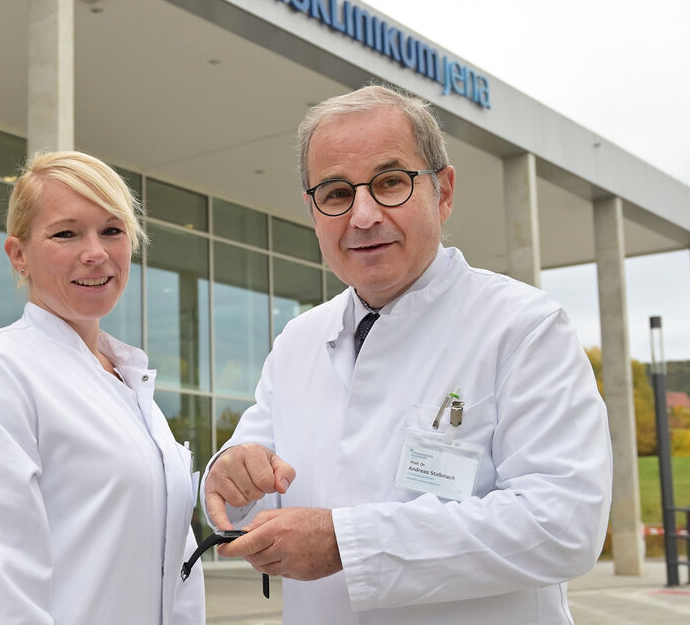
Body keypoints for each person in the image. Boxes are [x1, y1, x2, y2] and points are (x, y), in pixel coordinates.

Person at [202, 85, 612, 624]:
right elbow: (250, 485)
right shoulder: (297, 343)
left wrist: (348, 543)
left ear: (443, 191)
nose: (364, 215)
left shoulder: (524, 328)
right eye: (336, 193)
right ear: (313, 211)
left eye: (391, 182)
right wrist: (230, 476)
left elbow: (562, 525)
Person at [0, 150, 205, 625]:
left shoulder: (129, 384)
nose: (95, 252)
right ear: (19, 255)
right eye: (66, 233)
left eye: (112, 230)